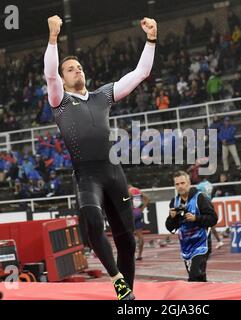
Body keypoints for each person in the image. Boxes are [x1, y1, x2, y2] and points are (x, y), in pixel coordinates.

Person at [44, 15, 157, 300]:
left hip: (113, 172)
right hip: (87, 175)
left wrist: (152, 39)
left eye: (79, 67)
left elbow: (140, 73)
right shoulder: (60, 101)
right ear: (64, 78)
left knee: (127, 242)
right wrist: (54, 38)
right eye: (70, 69)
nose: (76, 70)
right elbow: (50, 75)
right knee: (93, 221)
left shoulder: (102, 95)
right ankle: (117, 279)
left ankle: (126, 296)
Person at [166, 171, 217, 282]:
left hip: (201, 244)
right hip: (186, 246)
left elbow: (213, 219)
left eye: (182, 183)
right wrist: (172, 218)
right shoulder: (174, 202)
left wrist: (196, 218)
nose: (180, 186)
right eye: (177, 184)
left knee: (194, 277)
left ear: (189, 183)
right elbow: (170, 227)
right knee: (199, 279)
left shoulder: (200, 198)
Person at [196, 176, 224, 250]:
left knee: (204, 224)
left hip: (203, 205)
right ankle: (218, 241)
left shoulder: (199, 186)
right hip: (209, 203)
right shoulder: (209, 184)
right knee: (210, 224)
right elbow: (214, 191)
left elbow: (197, 196)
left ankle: (205, 245)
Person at [128, 184, 150, 261]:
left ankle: (131, 255)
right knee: (140, 236)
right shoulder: (137, 190)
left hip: (132, 213)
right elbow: (147, 198)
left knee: (129, 235)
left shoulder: (128, 191)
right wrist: (141, 209)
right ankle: (139, 255)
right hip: (138, 212)